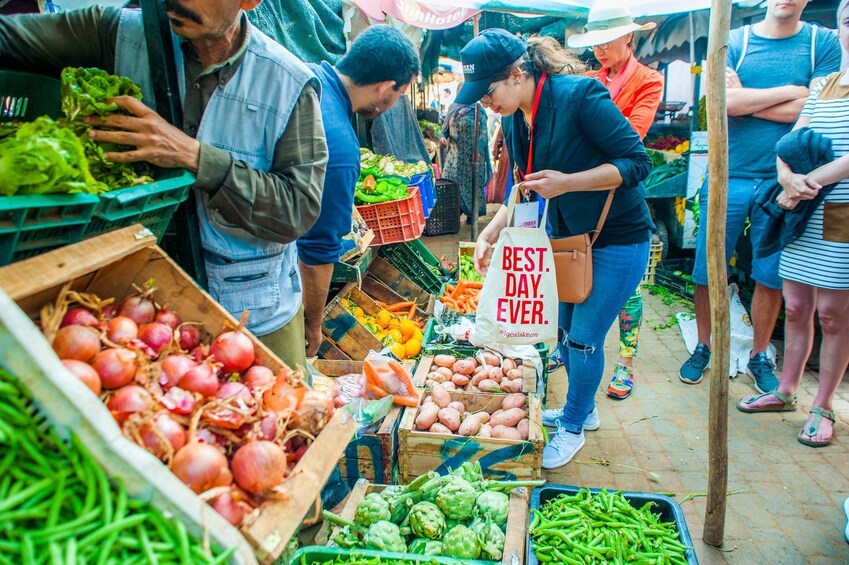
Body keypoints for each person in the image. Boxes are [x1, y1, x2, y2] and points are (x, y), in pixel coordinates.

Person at [0, 1, 329, 371]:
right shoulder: (116, 33)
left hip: (251, 318)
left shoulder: (288, 83)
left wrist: (196, 157)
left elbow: (297, 209)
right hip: (130, 309)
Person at [462, 30, 653, 469]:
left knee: (584, 340)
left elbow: (638, 162)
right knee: (564, 338)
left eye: (488, 93)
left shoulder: (579, 96)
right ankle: (583, 410)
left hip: (616, 239)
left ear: (516, 74)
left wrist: (569, 182)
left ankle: (571, 426)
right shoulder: (514, 119)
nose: (486, 104)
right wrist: (491, 231)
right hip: (565, 246)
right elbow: (523, 190)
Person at [679, 0, 842, 391]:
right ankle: (704, 346)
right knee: (708, 266)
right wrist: (789, 92)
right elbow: (721, 103)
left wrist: (748, 102)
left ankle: (759, 354)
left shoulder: (823, 42)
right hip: (727, 174)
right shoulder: (734, 40)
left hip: (787, 182)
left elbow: (817, 106)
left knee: (770, 274)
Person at [737, 0, 849, 448]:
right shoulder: (825, 82)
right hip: (803, 205)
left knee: (833, 315)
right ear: (838, 27)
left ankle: (823, 406)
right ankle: (785, 390)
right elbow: (792, 138)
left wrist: (808, 182)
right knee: (797, 306)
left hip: (841, 209)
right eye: (847, 20)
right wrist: (785, 174)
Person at [297, 25, 420, 357]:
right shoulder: (338, 146)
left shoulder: (306, 75)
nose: (392, 105)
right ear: (384, 88)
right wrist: (312, 325)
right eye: (398, 96)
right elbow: (316, 255)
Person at [566, 3, 662, 400]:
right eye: (595, 43)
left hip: (622, 197)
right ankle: (575, 353)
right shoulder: (589, 78)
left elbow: (631, 137)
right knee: (584, 283)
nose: (600, 51)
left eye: (607, 42)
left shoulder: (649, 81)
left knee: (628, 291)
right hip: (586, 202)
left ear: (629, 37)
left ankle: (625, 364)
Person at [440, 100, 491, 223]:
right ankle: (454, 213)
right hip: (454, 157)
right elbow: (444, 129)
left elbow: (483, 132)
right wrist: (442, 138)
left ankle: (472, 214)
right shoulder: (453, 109)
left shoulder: (478, 110)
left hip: (472, 157)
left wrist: (478, 150)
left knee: (472, 185)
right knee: (450, 182)